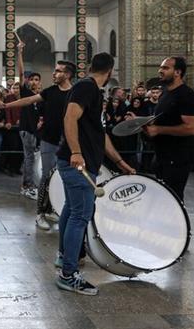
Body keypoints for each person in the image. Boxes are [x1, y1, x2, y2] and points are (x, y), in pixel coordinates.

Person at [56, 53, 135, 296]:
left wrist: (120, 162)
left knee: (71, 210)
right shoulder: (86, 87)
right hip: (77, 163)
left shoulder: (91, 90)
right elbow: (69, 117)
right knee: (81, 215)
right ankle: (68, 274)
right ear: (110, 72)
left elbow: (99, 135)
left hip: (79, 162)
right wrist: (77, 152)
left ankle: (64, 259)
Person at [3, 58, 75, 230]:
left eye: (58, 71)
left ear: (67, 74)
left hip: (68, 141)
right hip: (49, 140)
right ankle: (40, 213)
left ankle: (54, 209)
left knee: (64, 178)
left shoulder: (76, 93)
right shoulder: (50, 91)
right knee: (47, 176)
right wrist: (6, 105)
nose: (54, 73)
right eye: (55, 70)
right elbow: (28, 101)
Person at [143, 57, 194, 202]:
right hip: (162, 155)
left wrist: (158, 130)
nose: (160, 71)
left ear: (177, 72)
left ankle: (177, 225)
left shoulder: (187, 96)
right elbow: (165, 117)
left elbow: (190, 128)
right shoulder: (166, 93)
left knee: (173, 199)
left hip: (177, 157)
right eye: (161, 67)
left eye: (165, 68)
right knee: (162, 198)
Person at [16, 41, 42, 200]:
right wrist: (20, 53)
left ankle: (28, 185)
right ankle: (27, 186)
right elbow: (20, 73)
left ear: (40, 82)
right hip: (26, 131)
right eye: (31, 79)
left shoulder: (40, 98)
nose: (33, 81)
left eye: (36, 80)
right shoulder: (26, 93)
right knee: (29, 158)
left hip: (34, 131)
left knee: (31, 158)